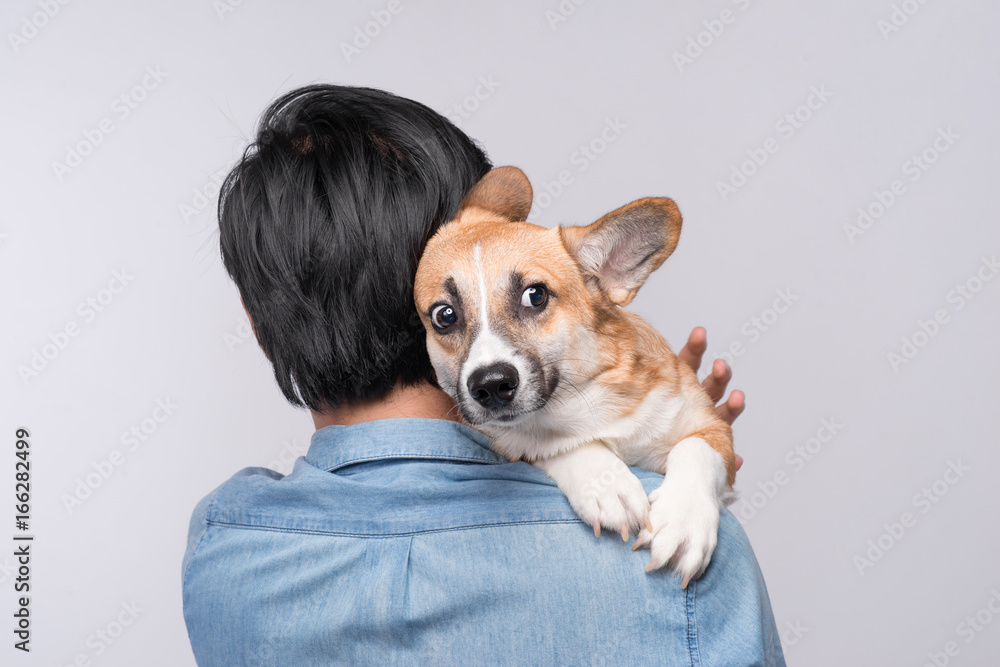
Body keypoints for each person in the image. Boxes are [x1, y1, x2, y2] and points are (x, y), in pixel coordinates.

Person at [182, 84, 785, 666]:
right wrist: (681, 471)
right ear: (420, 306)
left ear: (260, 328)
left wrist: (639, 433)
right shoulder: (686, 545)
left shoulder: (222, 548)